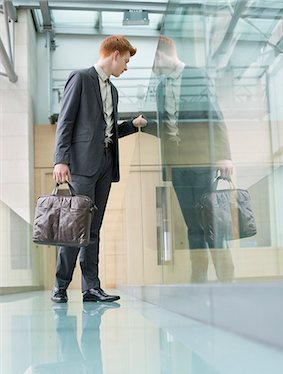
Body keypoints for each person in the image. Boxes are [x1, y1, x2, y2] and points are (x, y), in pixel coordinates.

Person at [51, 35, 147, 304]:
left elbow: (108, 132)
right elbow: (65, 121)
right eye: (126, 62)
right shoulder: (81, 78)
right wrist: (61, 159)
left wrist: (132, 125)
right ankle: (60, 286)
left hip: (105, 165)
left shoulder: (112, 91)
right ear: (115, 54)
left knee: (93, 230)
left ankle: (91, 287)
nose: (126, 68)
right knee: (74, 228)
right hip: (81, 166)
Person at [149, 36, 234, 282]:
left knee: (211, 224)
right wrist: (146, 124)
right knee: (192, 226)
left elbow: (214, 115)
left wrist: (224, 155)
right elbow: (168, 126)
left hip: (202, 162)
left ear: (161, 55)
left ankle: (226, 278)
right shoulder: (161, 88)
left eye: (152, 61)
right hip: (178, 167)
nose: (152, 69)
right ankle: (199, 278)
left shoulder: (197, 75)